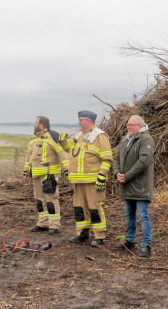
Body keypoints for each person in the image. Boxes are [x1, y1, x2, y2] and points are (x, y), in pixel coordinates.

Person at [66, 110, 113, 246]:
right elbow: (67, 149)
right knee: (79, 208)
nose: (79, 123)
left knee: (95, 208)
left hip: (93, 180)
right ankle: (82, 233)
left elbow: (107, 158)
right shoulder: (78, 135)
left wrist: (101, 176)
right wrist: (63, 142)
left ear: (88, 121)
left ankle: (99, 236)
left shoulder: (99, 135)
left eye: (81, 120)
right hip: (78, 180)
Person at [112, 116, 155, 258]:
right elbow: (117, 158)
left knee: (143, 216)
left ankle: (146, 245)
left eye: (131, 125)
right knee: (129, 214)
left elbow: (144, 161)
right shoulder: (125, 140)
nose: (128, 127)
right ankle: (130, 240)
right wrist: (117, 173)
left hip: (140, 186)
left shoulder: (145, 139)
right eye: (127, 125)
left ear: (140, 125)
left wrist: (127, 175)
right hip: (127, 185)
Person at [23, 116, 70, 235]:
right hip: (36, 175)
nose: (33, 125)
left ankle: (54, 225)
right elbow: (29, 157)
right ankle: (43, 223)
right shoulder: (33, 139)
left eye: (35, 123)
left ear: (42, 125)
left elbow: (63, 154)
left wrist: (67, 169)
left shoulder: (52, 136)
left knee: (51, 200)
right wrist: (25, 170)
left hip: (49, 175)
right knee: (39, 201)